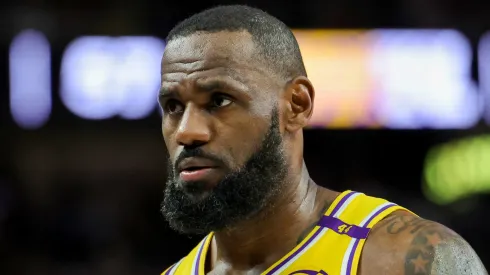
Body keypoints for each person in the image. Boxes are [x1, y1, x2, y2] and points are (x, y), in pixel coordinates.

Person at [158, 5, 487, 275]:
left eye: (219, 101)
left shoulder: (407, 258)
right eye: (173, 106)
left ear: (297, 106)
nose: (187, 132)